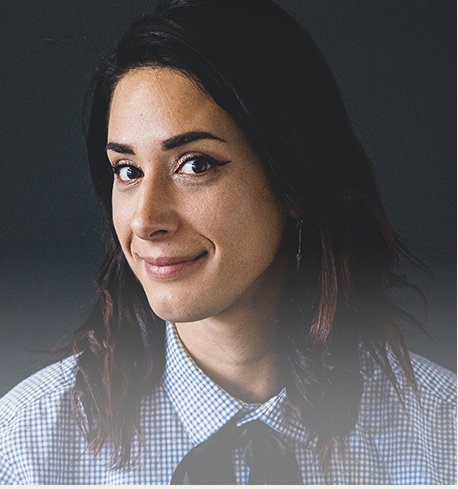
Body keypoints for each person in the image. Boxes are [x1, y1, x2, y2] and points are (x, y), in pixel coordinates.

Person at [0, 0, 455, 484]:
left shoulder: (441, 439)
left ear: (294, 182)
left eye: (195, 164)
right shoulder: (28, 450)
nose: (146, 220)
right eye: (128, 171)